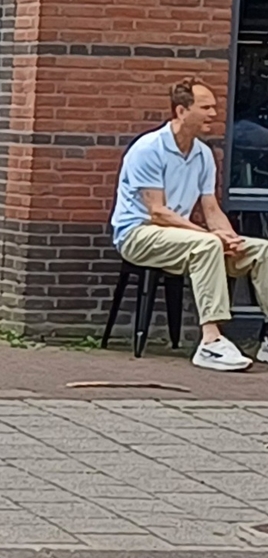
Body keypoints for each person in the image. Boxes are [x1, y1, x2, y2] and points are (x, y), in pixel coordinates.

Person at [113, 79, 268, 371]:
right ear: (181, 111)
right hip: (138, 233)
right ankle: (210, 342)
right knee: (208, 244)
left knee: (262, 250)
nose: (214, 113)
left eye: (215, 107)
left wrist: (229, 237)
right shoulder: (148, 149)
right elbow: (157, 212)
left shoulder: (203, 154)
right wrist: (211, 237)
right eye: (206, 107)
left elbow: (211, 208)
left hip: (182, 236)